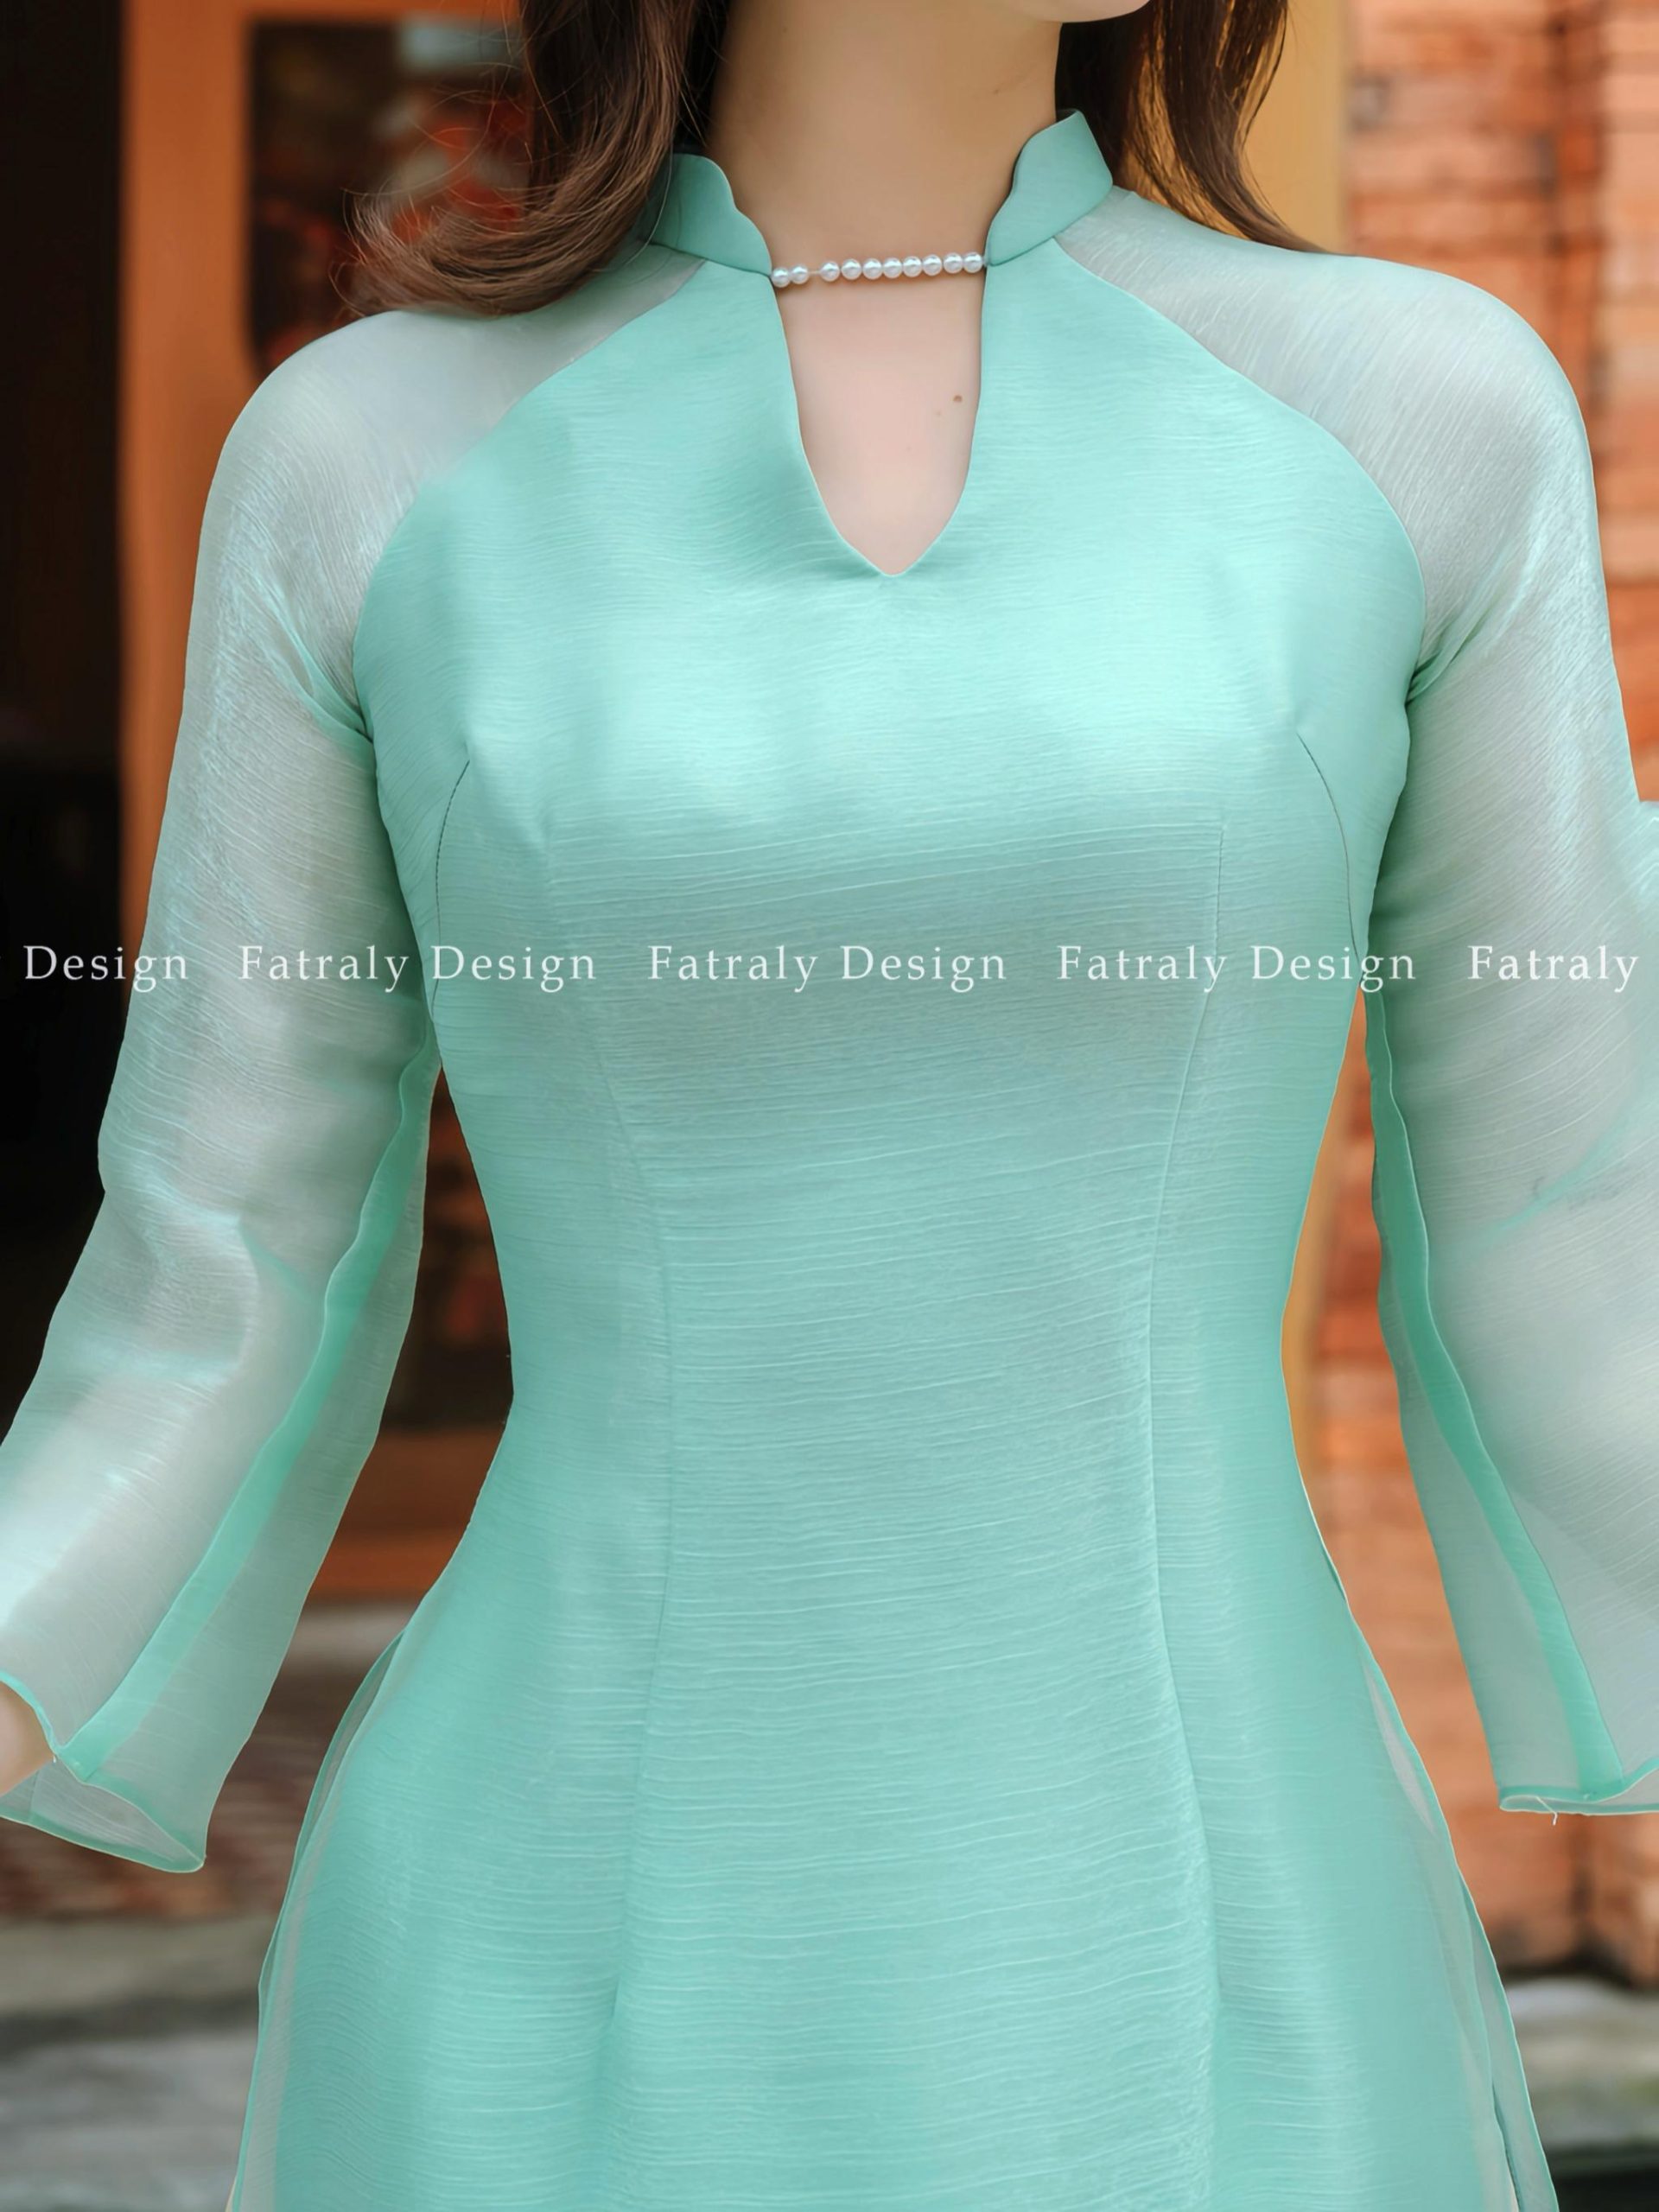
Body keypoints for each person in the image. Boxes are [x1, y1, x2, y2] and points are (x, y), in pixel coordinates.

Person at [1, 2, 1653, 2205]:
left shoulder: (1416, 411)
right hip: (550, 1897)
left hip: (1208, 1892)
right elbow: (226, 1254)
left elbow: (1577, 1207)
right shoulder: (365, 451)